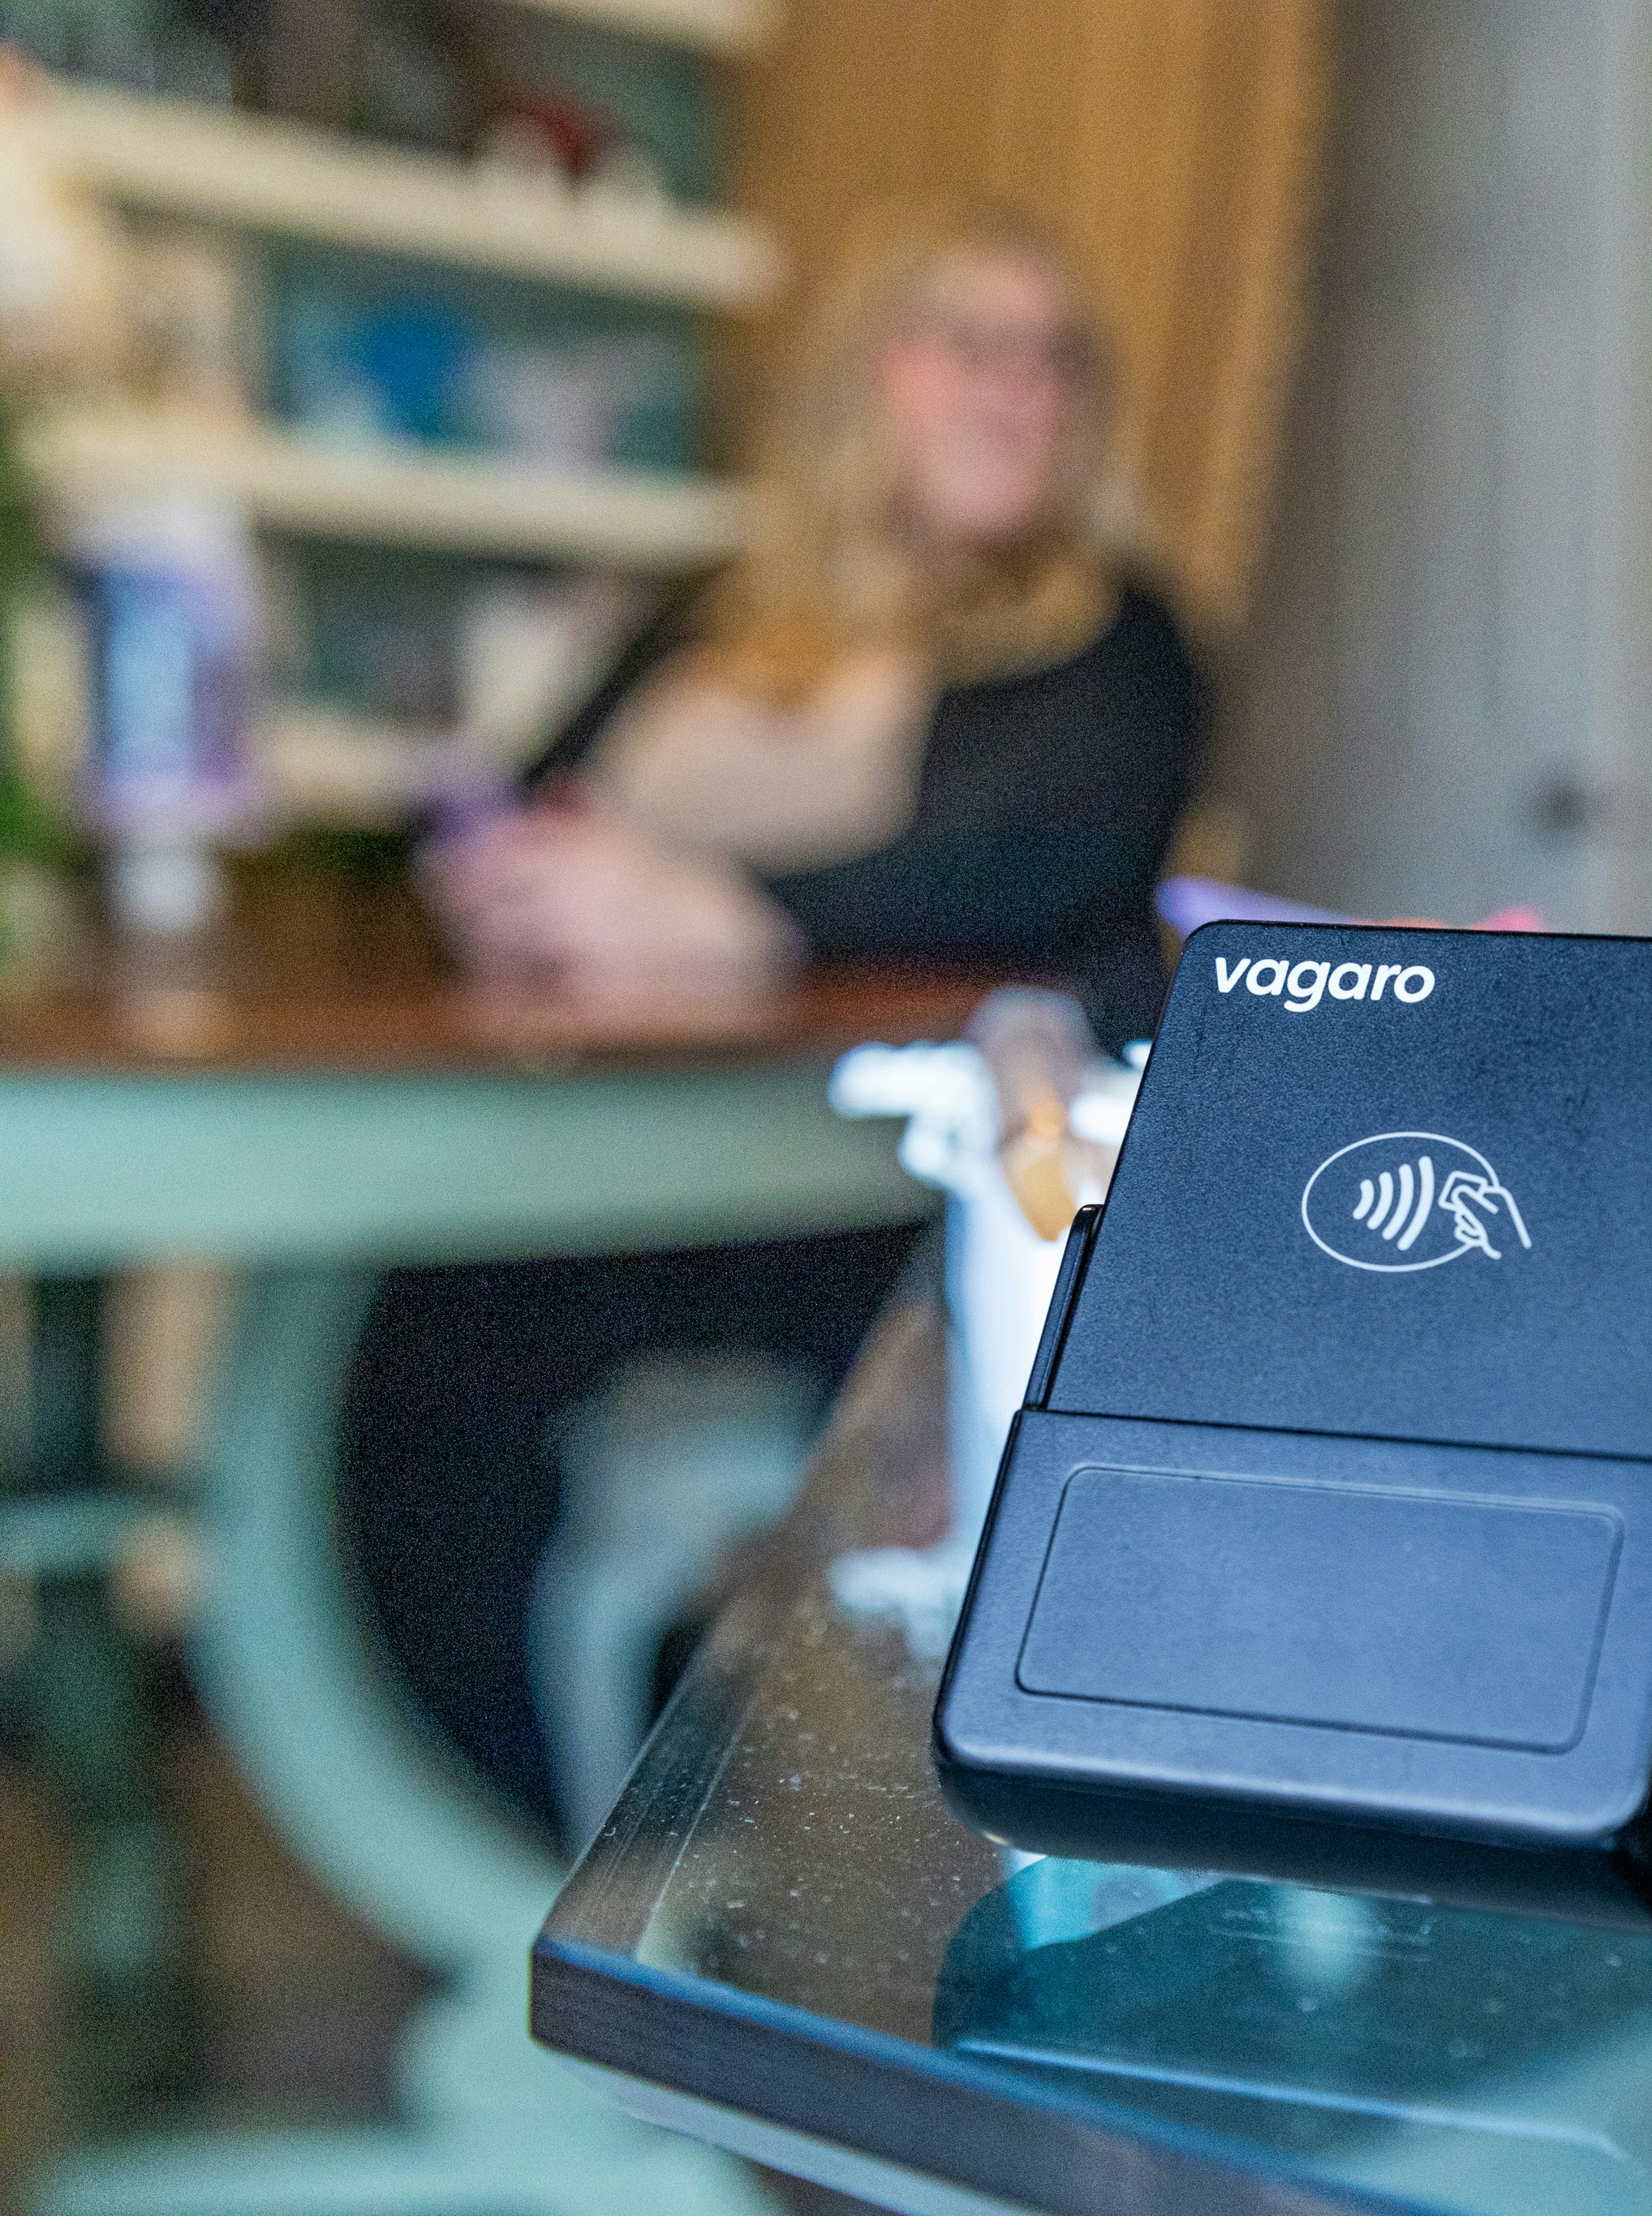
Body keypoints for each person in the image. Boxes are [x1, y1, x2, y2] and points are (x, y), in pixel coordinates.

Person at [342, 204, 1206, 1840]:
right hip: (582, 1153)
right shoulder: (707, 614)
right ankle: (493, 1852)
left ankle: (640, 1873)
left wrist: (734, 918)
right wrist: (506, 879)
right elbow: (518, 800)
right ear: (860, 371)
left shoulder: (1112, 638)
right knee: (380, 1367)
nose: (1019, 388)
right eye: (969, 341)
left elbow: (1040, 857)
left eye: (1054, 356)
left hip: (867, 1187)